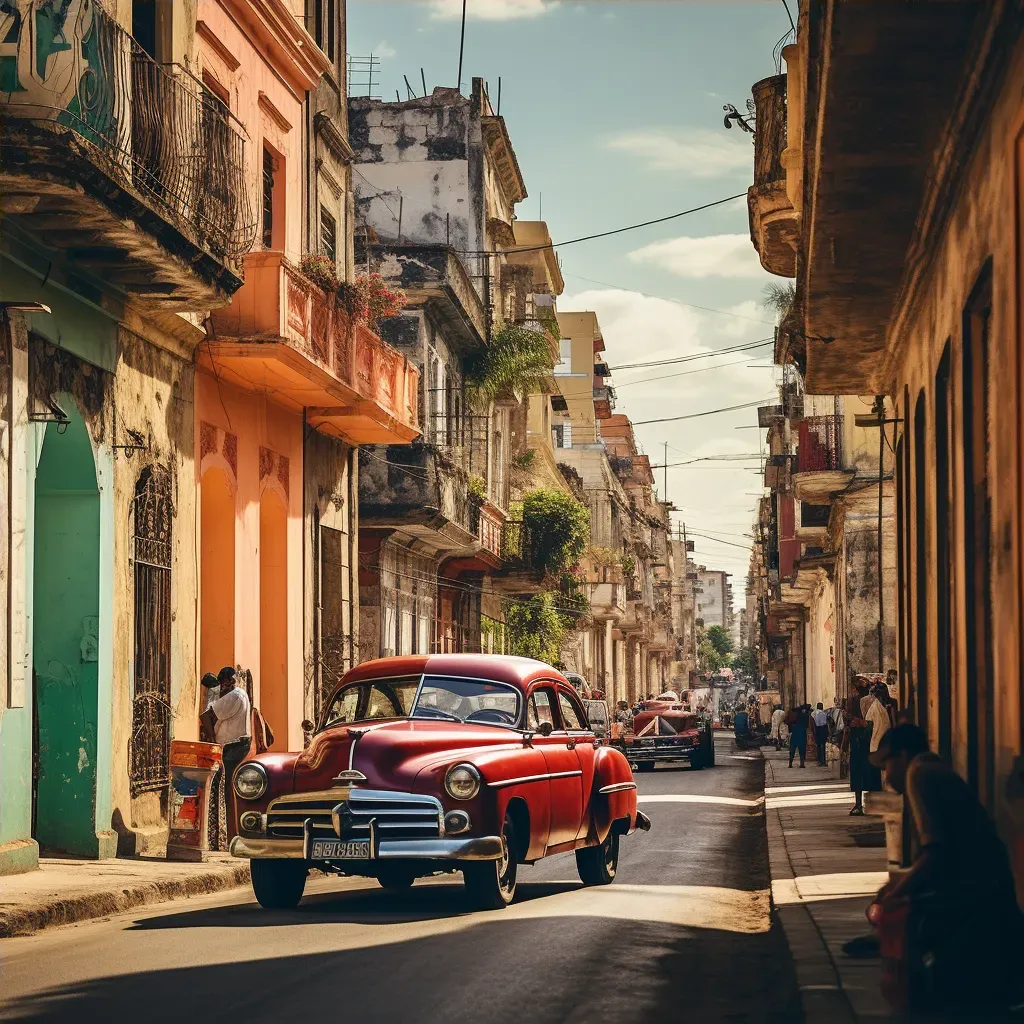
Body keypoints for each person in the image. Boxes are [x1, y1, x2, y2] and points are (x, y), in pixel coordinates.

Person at [865, 725, 1024, 1011]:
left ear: (902, 756)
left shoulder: (919, 774)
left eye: (887, 764)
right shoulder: (931, 770)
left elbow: (935, 853)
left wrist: (896, 892)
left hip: (976, 896)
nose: (887, 775)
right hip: (983, 889)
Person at [200, 666, 252, 837]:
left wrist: (212, 740)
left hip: (231, 747)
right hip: (240, 745)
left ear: (228, 681)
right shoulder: (240, 694)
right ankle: (230, 832)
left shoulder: (233, 696)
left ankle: (225, 834)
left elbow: (206, 716)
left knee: (224, 790)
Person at [844, 678, 876, 815]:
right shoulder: (873, 701)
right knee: (869, 771)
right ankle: (871, 803)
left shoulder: (854, 701)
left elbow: (847, 719)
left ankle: (858, 804)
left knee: (858, 771)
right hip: (870, 739)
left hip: (858, 738)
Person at [787, 704, 809, 768]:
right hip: (802, 734)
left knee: (792, 749)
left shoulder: (794, 716)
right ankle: (802, 763)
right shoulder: (806, 716)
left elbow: (789, 722)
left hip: (795, 734)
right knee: (802, 749)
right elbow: (807, 725)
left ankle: (790, 763)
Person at [812, 701, 829, 766]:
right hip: (824, 729)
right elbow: (826, 722)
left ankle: (819, 760)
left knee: (818, 745)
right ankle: (823, 761)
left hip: (817, 729)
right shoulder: (825, 713)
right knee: (823, 745)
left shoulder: (815, 714)